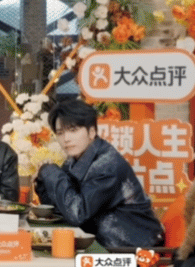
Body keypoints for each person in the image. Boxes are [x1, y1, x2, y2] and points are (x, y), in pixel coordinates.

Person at [34, 99, 163, 248]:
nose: (66, 139)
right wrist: (43, 180)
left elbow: (77, 213)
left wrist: (50, 172)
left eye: (73, 130)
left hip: (134, 247)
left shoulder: (107, 165)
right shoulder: (74, 160)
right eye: (60, 133)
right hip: (103, 243)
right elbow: (61, 209)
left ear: (92, 132)